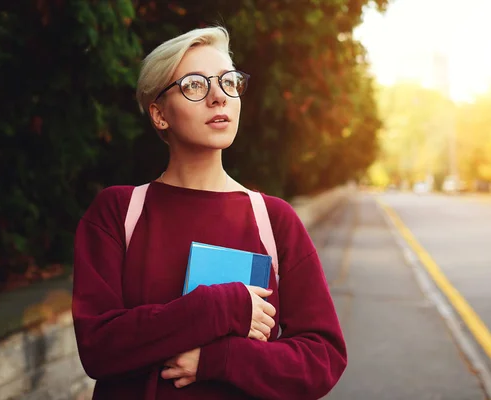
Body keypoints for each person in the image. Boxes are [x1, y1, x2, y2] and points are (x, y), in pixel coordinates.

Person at [71, 25, 347, 400]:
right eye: (195, 85)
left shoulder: (274, 219)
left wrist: (220, 359)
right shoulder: (119, 212)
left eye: (228, 82)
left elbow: (323, 358)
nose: (219, 97)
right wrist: (221, 305)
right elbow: (98, 347)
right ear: (159, 114)